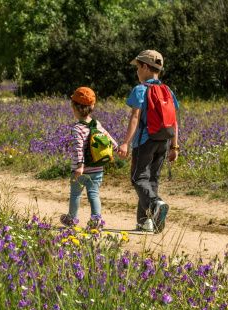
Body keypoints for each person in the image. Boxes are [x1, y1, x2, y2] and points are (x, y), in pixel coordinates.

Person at [116, 50, 180, 233]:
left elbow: (135, 118)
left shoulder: (140, 89)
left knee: (138, 178)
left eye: (137, 67)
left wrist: (126, 143)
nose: (137, 71)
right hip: (164, 141)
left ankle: (155, 203)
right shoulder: (167, 90)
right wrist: (174, 146)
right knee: (151, 180)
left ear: (145, 67)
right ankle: (145, 222)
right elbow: (174, 121)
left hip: (145, 142)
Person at [60, 87, 118, 227]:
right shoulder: (96, 124)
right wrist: (117, 149)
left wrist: (80, 167)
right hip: (97, 168)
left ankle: (71, 219)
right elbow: (109, 138)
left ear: (74, 108)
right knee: (93, 194)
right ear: (92, 107)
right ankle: (96, 220)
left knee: (75, 194)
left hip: (80, 171)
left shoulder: (77, 128)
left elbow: (78, 148)